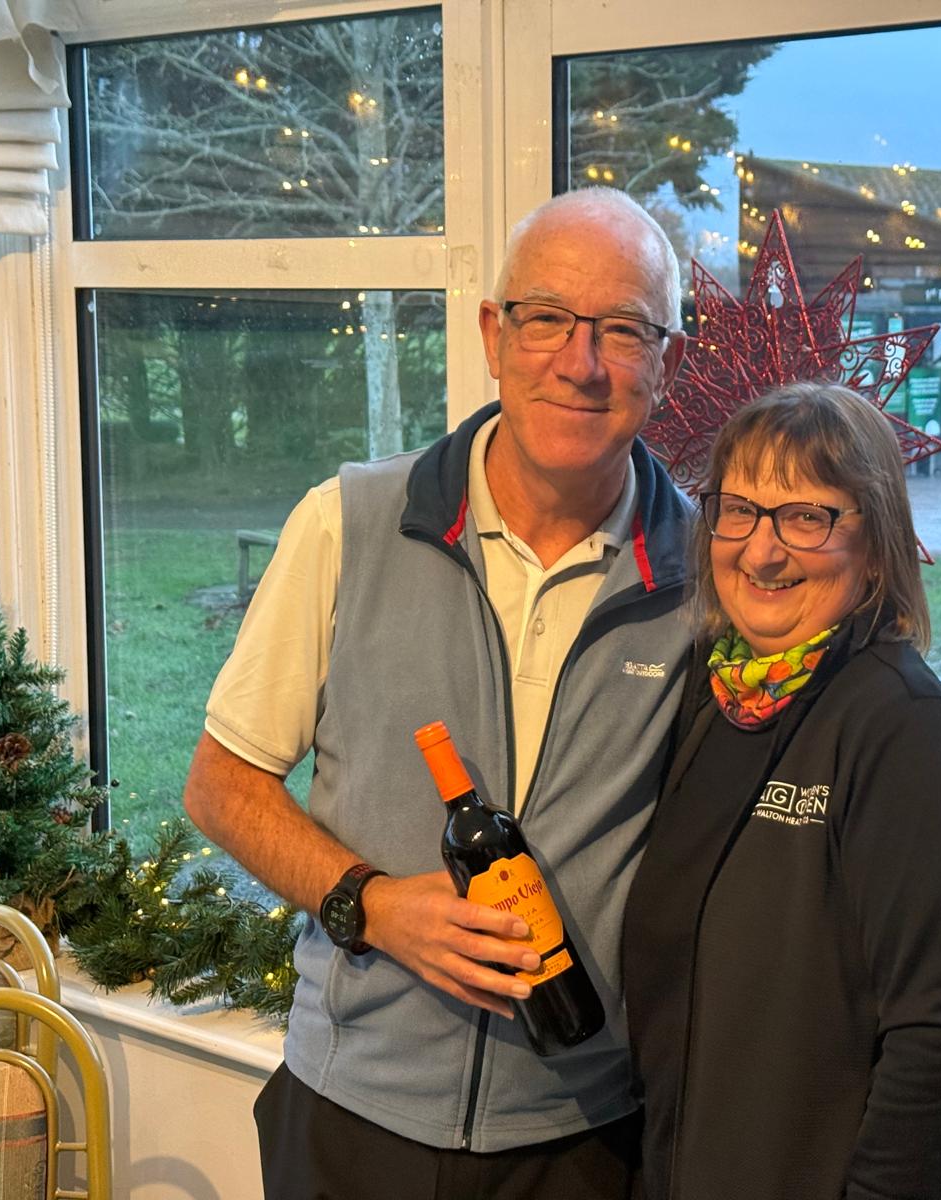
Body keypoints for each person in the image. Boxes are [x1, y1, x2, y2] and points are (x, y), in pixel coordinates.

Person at [183, 187, 692, 1200]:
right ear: (493, 334)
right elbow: (222, 787)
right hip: (352, 1119)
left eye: (623, 330)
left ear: (665, 364)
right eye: (547, 319)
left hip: (585, 1138)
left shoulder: (703, 581)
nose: (581, 362)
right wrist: (368, 904)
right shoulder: (349, 523)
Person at [623, 381, 941, 1200]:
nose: (762, 551)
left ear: (876, 547)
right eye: (739, 510)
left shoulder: (908, 735)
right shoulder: (712, 701)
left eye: (807, 517)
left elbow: (938, 1055)